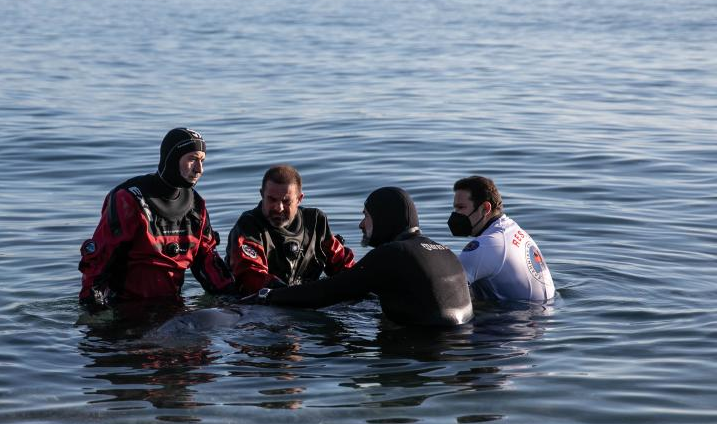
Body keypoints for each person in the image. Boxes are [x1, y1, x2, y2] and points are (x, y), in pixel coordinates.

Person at [246, 187, 473, 327]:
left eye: (366, 216)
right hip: (465, 342)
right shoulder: (443, 250)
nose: (361, 224)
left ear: (383, 218)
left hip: (422, 350)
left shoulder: (392, 254)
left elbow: (327, 293)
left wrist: (269, 296)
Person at [79, 128, 234, 308]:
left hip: (173, 309)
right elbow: (99, 263)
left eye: (202, 161)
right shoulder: (130, 199)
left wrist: (235, 300)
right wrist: (95, 312)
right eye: (192, 159)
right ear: (173, 158)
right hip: (128, 311)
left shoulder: (196, 206)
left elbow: (208, 263)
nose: (199, 169)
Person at [226, 165, 355, 294]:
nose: (278, 208)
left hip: (305, 300)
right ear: (262, 195)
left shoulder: (315, 223)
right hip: (257, 306)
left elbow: (342, 264)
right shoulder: (249, 227)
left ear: (299, 199)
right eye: (272, 199)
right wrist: (300, 295)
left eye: (286, 201)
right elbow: (251, 278)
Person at [448, 175, 555, 302]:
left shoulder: (486, 245)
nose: (455, 214)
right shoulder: (512, 230)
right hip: (545, 312)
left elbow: (445, 290)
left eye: (461, 207)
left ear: (485, 208)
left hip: (512, 318)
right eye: (455, 208)